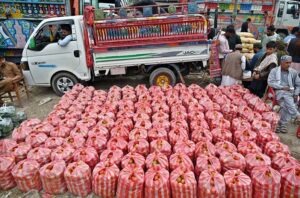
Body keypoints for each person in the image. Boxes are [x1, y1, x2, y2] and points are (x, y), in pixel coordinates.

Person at [268, 55, 300, 133]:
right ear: (281, 63)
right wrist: (282, 87)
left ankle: (281, 124)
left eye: (290, 63)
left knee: (286, 105)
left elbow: (298, 84)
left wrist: (296, 93)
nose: (288, 64)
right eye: (286, 63)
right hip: (279, 92)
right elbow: (270, 82)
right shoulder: (274, 71)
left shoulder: (293, 72)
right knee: (286, 96)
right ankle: (296, 115)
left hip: (291, 93)